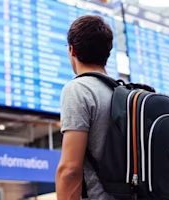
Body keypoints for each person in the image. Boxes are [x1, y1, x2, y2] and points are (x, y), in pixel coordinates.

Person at [56, 15, 115, 200]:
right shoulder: (124, 93)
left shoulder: (78, 89)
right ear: (107, 53)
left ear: (72, 50)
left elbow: (70, 170)